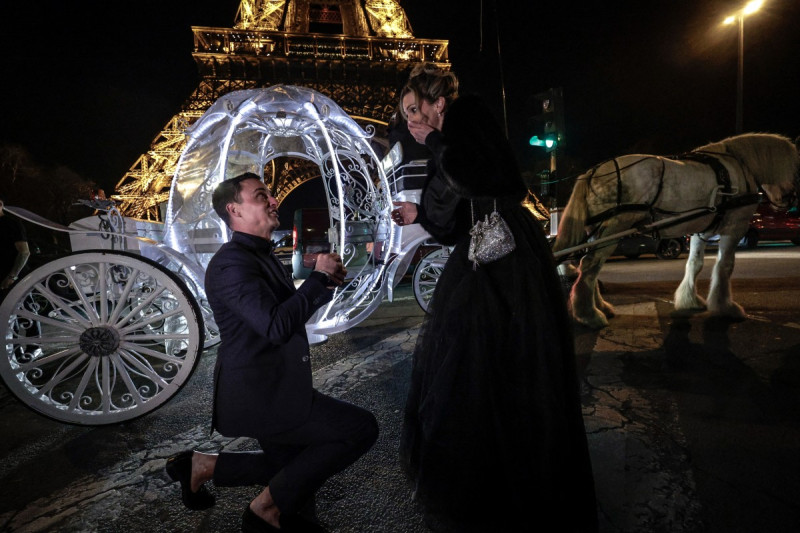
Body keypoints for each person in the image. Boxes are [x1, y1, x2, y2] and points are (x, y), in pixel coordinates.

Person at [391, 64, 598, 532]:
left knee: (500, 366)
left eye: (413, 111)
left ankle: (511, 479)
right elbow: (451, 216)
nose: (409, 122)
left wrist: (435, 142)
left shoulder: (468, 116)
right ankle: (493, 472)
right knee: (477, 370)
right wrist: (417, 213)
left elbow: (482, 177)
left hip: (505, 262)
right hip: (481, 256)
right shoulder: (451, 135)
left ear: (436, 102)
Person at [165, 172, 379, 533]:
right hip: (263, 394)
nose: (274, 200)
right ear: (234, 209)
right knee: (359, 429)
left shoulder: (257, 255)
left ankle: (205, 467)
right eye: (261, 195)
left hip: (276, 385)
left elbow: (286, 313)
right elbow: (277, 326)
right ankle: (266, 508)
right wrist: (315, 280)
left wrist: (324, 281)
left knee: (293, 464)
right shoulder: (233, 263)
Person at [0, 197, 31, 294]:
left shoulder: (11, 223)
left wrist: (12, 277)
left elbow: (24, 252)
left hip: (11, 280)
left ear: (0, 204)